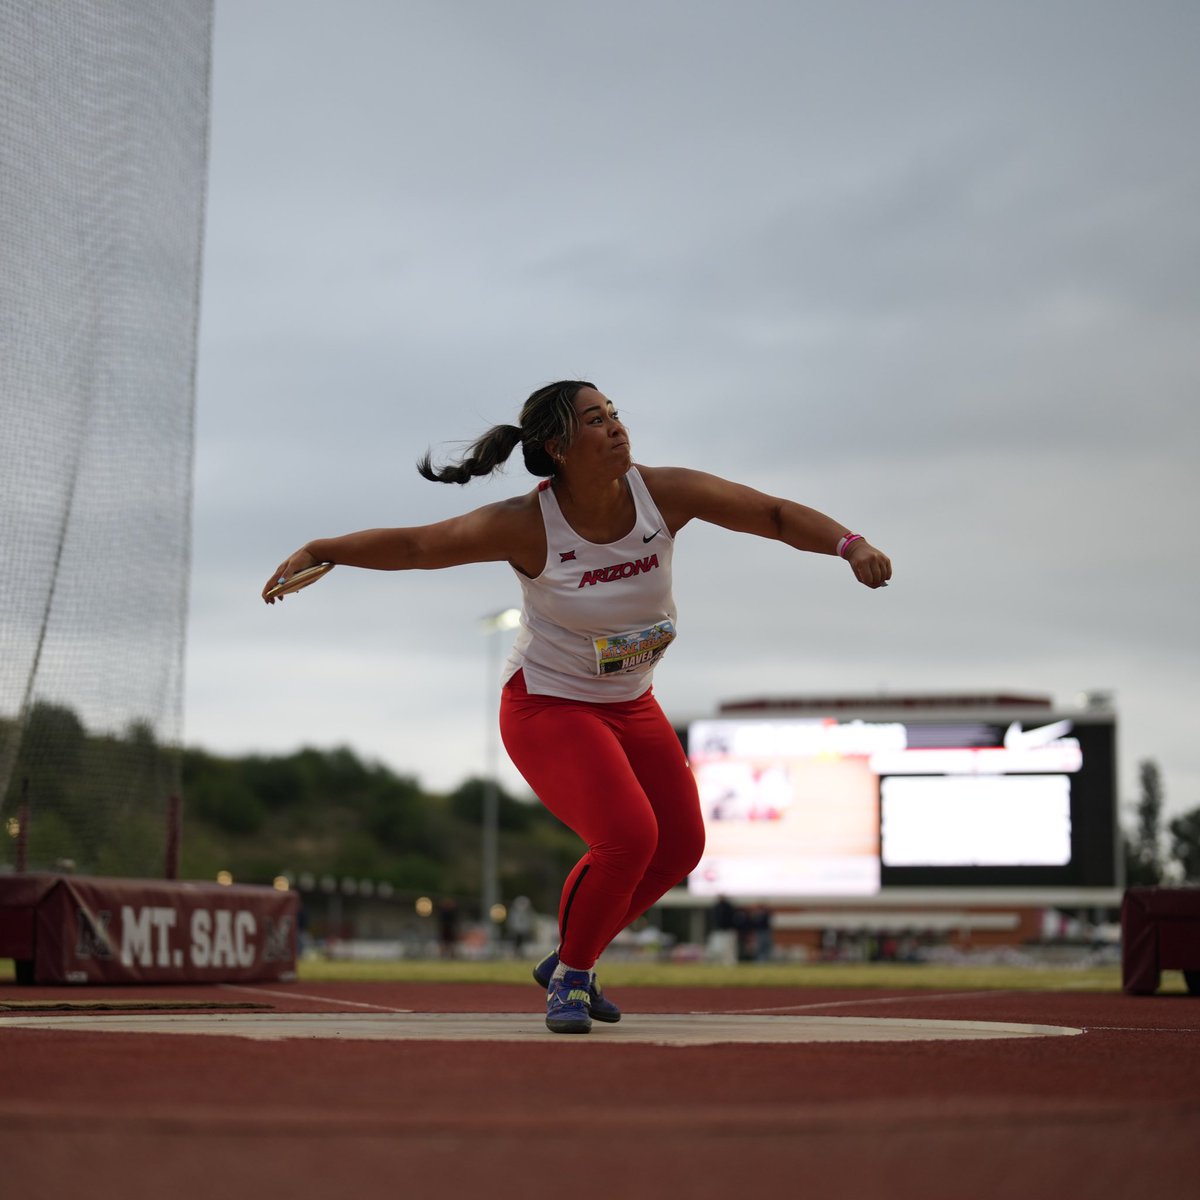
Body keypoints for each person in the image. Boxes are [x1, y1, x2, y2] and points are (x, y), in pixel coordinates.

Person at [263, 380, 891, 1034]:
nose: (617, 427)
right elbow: (420, 548)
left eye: (616, 413)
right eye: (597, 419)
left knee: (679, 847)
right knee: (628, 837)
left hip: (630, 702)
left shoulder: (663, 493)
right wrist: (323, 550)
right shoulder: (526, 525)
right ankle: (572, 978)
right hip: (548, 705)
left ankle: (571, 953)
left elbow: (774, 515)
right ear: (558, 447)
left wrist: (851, 545)